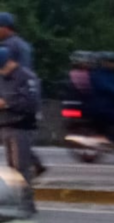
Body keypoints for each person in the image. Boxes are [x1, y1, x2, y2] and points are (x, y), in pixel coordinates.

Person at [0, 12, 44, 177]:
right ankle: (34, 164)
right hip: (25, 96)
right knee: (19, 143)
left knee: (16, 149)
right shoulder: (23, 44)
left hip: (14, 102)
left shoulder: (8, 46)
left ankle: (22, 193)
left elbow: (9, 73)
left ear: (5, 28)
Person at [0, 47, 41, 214]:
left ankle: (26, 204)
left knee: (21, 167)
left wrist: (7, 103)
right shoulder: (2, 78)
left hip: (21, 127)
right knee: (12, 168)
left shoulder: (26, 78)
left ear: (11, 62)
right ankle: (16, 203)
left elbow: (31, 104)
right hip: (5, 126)